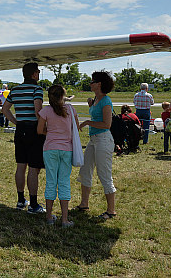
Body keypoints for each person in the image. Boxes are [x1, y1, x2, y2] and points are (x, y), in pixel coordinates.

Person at [1, 62, 46, 213]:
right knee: (33, 168)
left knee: (21, 166)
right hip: (33, 129)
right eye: (38, 72)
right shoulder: (37, 89)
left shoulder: (15, 90)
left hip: (20, 130)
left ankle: (21, 201)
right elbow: (38, 111)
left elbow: (5, 109)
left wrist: (16, 122)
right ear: (34, 74)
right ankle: (33, 204)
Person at [76, 71, 117, 220]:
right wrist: (91, 105)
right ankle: (84, 203)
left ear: (99, 84)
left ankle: (111, 210)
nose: (90, 83)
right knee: (85, 169)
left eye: (93, 81)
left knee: (104, 174)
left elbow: (107, 124)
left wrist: (87, 122)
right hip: (93, 140)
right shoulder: (97, 99)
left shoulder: (106, 101)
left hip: (103, 140)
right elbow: (97, 114)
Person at [37, 84, 77, 228]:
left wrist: (52, 133)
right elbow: (76, 129)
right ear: (63, 96)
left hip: (50, 149)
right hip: (66, 149)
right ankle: (65, 219)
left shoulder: (46, 111)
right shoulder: (70, 110)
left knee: (51, 181)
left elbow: (39, 130)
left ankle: (49, 217)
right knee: (64, 182)